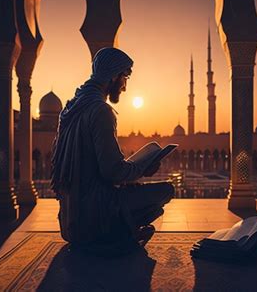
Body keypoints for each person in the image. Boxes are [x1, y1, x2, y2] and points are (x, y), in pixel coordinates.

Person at [51, 47, 175, 255]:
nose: (125, 87)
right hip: (93, 217)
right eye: (125, 77)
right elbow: (112, 172)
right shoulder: (100, 110)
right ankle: (113, 233)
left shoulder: (70, 109)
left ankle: (119, 230)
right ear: (114, 76)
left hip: (70, 220)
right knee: (165, 191)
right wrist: (143, 166)